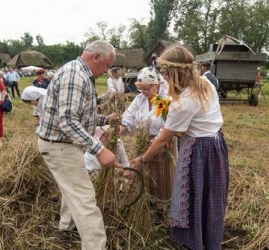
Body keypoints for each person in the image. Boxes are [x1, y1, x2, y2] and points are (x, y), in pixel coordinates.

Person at [131, 45, 229, 250]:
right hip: (216, 145)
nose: (164, 78)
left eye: (165, 73)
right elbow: (170, 106)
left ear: (175, 72)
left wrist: (141, 160)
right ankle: (208, 240)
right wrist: (156, 100)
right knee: (209, 197)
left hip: (198, 150)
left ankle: (194, 243)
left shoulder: (184, 102)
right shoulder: (204, 83)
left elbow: (163, 139)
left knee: (193, 197)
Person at [37, 40, 118, 250]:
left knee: (71, 187)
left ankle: (66, 225)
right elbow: (68, 121)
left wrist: (104, 120)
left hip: (62, 144)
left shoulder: (81, 74)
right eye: (107, 65)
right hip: (60, 145)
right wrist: (99, 150)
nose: (108, 71)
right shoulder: (75, 75)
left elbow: (80, 115)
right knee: (84, 199)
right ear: (96, 57)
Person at [120, 66, 175, 222]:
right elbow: (128, 118)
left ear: (156, 86)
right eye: (141, 89)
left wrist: (155, 141)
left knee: (161, 175)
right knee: (144, 172)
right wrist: (119, 129)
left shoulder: (164, 100)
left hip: (163, 143)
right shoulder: (140, 99)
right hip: (144, 141)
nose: (143, 92)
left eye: (146, 89)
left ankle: (161, 209)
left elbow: (166, 125)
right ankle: (147, 200)